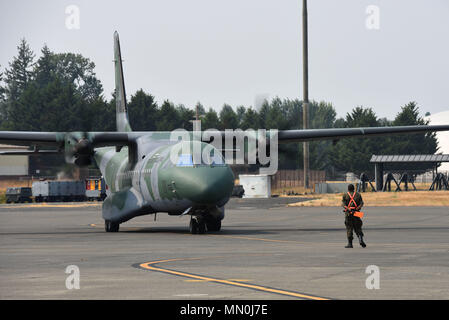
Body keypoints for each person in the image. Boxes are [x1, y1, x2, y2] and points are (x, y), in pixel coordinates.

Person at [341, 184, 367, 248]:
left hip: (348, 213)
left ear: (348, 189)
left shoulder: (345, 195)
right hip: (357, 213)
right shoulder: (358, 195)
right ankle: (361, 239)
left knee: (349, 227)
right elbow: (361, 203)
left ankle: (350, 244)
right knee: (358, 227)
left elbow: (343, 204)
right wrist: (356, 209)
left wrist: (348, 209)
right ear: (353, 188)